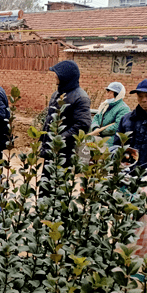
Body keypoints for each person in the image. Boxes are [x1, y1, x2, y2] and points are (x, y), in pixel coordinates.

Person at [40, 60, 91, 193]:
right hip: (51, 151)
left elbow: (83, 125)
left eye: (57, 74)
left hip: (64, 153)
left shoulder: (80, 98)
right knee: (45, 189)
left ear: (65, 76)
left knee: (57, 191)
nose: (55, 76)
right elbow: (50, 119)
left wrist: (58, 139)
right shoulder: (58, 94)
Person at [114, 79, 147, 168]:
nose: (143, 100)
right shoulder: (127, 120)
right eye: (140, 96)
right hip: (127, 174)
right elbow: (116, 146)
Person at [89, 82, 130, 146]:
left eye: (111, 93)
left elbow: (118, 125)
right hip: (98, 139)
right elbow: (96, 117)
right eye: (107, 92)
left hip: (111, 142)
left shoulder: (123, 108)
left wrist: (100, 131)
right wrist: (95, 128)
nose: (107, 95)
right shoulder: (105, 105)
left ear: (118, 95)